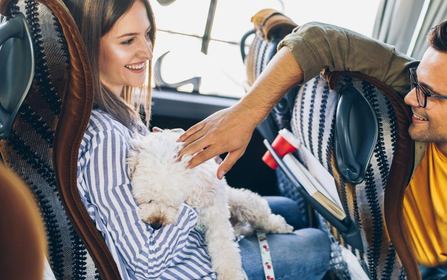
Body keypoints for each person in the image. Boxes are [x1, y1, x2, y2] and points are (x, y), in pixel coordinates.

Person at [178, 16, 447, 277]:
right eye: (416, 82)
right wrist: (244, 114)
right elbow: (318, 37)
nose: (411, 97)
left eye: (428, 93)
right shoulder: (415, 83)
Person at [64, 0, 330, 279]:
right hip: (190, 268)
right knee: (317, 244)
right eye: (128, 41)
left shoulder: (123, 114)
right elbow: (145, 262)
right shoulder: (104, 138)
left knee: (290, 210)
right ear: (88, 46)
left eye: (147, 34)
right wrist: (191, 196)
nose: (146, 50)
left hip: (194, 241)